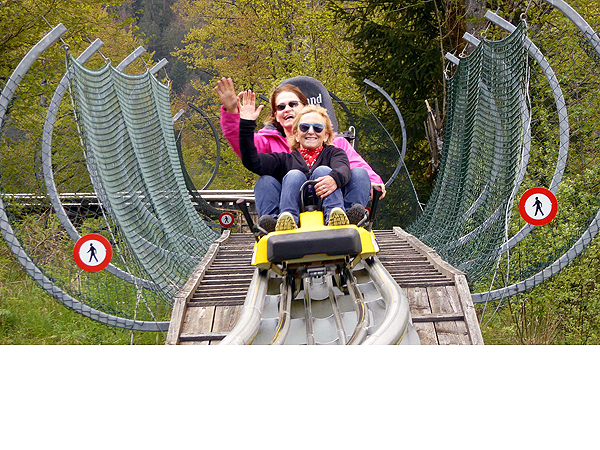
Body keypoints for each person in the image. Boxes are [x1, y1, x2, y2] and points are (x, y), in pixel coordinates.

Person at [215, 77, 386, 228]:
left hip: (330, 194)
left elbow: (352, 164)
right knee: (269, 180)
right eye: (281, 107)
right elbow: (246, 151)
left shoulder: (335, 146)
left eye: (293, 104)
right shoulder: (272, 146)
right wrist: (239, 117)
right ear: (276, 115)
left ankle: (346, 216)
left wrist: (372, 181)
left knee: (340, 172)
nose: (287, 109)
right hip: (289, 197)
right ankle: (276, 222)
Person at [238, 91, 351, 231]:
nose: (311, 132)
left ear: (326, 135)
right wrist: (246, 125)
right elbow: (252, 161)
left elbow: (343, 168)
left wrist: (334, 178)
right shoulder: (285, 160)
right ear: (296, 135)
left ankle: (335, 214)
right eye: (304, 127)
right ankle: (281, 220)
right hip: (295, 213)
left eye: (317, 128)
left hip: (323, 210)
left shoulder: (334, 153)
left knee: (323, 171)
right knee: (274, 179)